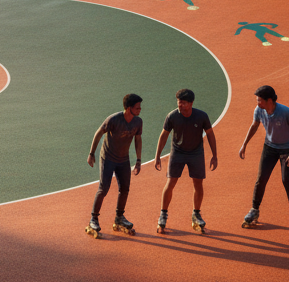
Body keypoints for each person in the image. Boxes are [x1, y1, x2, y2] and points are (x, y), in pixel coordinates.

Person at [238, 85, 289, 229]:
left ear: (269, 100)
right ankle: (254, 210)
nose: (257, 103)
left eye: (260, 100)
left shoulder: (285, 112)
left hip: (287, 149)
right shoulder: (259, 110)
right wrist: (244, 144)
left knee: (286, 179)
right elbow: (254, 126)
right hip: (270, 147)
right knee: (261, 179)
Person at [153, 88, 217, 233]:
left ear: (191, 103)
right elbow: (164, 135)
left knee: (198, 183)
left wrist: (214, 155)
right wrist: (157, 155)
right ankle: (163, 214)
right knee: (171, 182)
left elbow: (210, 135)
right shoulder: (172, 116)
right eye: (178, 102)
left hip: (196, 153)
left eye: (183, 103)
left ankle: (196, 213)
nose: (180, 105)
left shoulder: (201, 116)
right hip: (178, 152)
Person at [86, 94, 143, 237]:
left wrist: (138, 160)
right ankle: (93, 219)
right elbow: (99, 133)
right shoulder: (114, 119)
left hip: (123, 160)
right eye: (137, 107)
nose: (140, 109)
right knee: (103, 188)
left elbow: (138, 140)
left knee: (125, 189)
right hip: (108, 158)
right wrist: (92, 153)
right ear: (129, 108)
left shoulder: (138, 122)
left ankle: (119, 218)